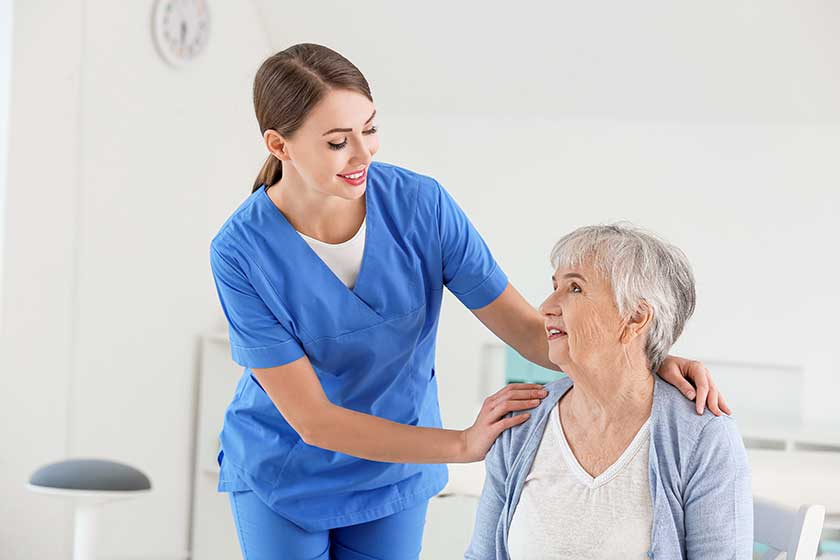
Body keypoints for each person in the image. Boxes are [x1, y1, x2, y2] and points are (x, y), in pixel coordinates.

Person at [209, 43, 727, 559]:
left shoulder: (420, 206)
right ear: (280, 145)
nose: (365, 155)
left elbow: (528, 331)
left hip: (394, 470)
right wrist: (461, 444)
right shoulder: (239, 251)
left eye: (369, 129)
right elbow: (314, 421)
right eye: (337, 143)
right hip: (286, 471)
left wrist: (642, 359)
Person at [465, 224, 752, 560]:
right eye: (554, 286)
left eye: (574, 288)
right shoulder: (521, 422)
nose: (545, 306)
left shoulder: (703, 437)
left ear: (635, 317)